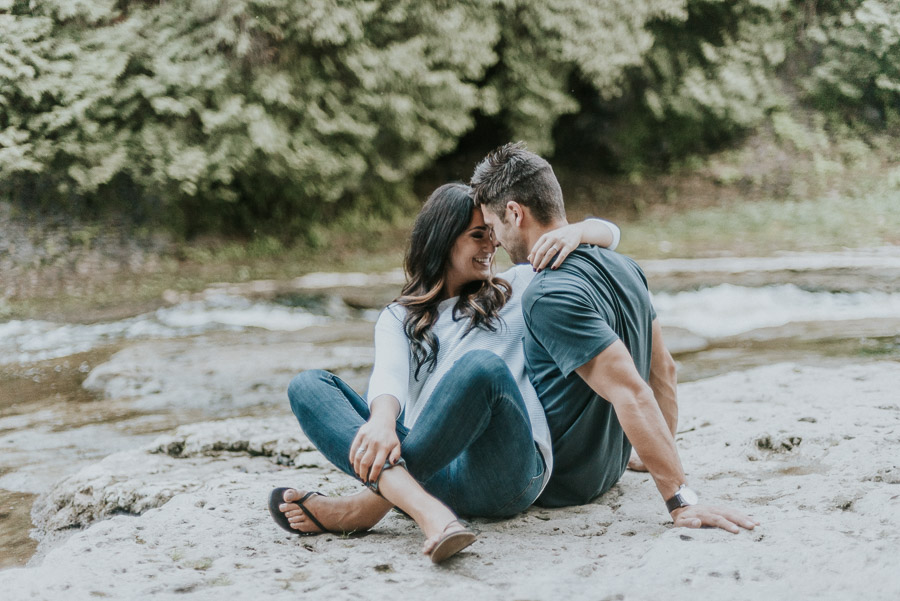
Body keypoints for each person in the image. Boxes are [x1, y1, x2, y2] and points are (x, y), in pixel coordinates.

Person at [268, 182, 622, 562]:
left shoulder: (519, 286)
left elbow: (612, 235)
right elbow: (388, 377)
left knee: (481, 367)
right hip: (430, 473)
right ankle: (428, 511)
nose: (492, 246)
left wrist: (575, 230)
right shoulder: (398, 318)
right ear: (442, 240)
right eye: (477, 236)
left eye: (492, 235)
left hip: (505, 474)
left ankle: (365, 507)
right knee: (308, 385)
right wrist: (383, 422)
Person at [470, 143, 759, 533]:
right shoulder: (626, 266)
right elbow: (664, 371)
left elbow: (632, 392)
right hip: (608, 470)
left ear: (515, 213)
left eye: (494, 227)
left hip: (561, 480)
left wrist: (680, 501)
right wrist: (648, 450)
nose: (496, 241)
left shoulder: (546, 293)